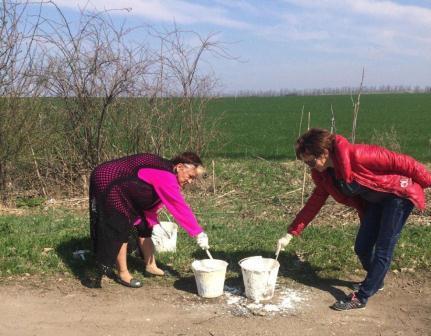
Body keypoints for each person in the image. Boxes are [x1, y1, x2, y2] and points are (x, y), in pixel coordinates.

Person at [276, 128, 431, 310]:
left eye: (310, 161)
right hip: (376, 202)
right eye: (306, 163)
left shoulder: (357, 154)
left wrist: (428, 180)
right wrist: (291, 233)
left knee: (383, 248)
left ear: (324, 153)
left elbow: (403, 162)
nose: (310, 166)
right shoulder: (324, 175)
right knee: (362, 247)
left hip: (398, 195)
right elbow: (314, 203)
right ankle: (376, 280)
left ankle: (361, 297)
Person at [89, 151, 209, 288]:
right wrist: (198, 232)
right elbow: (179, 206)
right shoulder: (166, 176)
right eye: (190, 176)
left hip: (126, 186)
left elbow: (149, 199)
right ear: (180, 167)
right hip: (107, 179)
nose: (190, 181)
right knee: (120, 226)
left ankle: (150, 266)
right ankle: (123, 273)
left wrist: (147, 221)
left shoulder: (168, 172)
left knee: (145, 225)